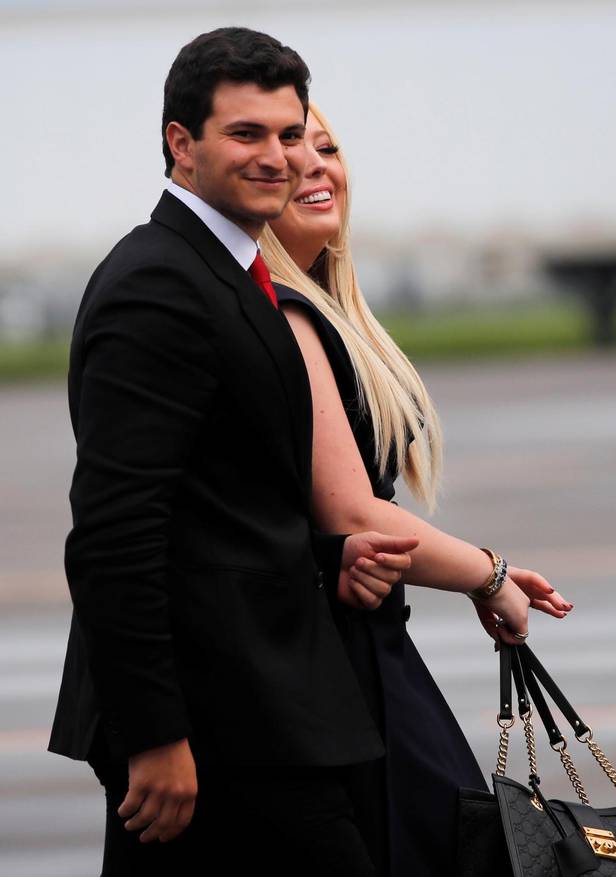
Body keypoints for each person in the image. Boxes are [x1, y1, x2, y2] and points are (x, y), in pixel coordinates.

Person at [47, 31, 421, 877]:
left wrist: (334, 554)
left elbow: (220, 507)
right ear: (182, 143)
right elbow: (114, 533)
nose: (279, 156)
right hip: (219, 728)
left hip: (268, 710)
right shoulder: (160, 284)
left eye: (290, 134)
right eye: (245, 134)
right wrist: (155, 735)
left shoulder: (233, 274)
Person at [260, 105, 575, 876]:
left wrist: (479, 569)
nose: (313, 165)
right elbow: (353, 509)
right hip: (337, 661)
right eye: (287, 148)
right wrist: (488, 575)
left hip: (367, 644)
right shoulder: (289, 314)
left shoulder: (329, 310)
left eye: (327, 147)